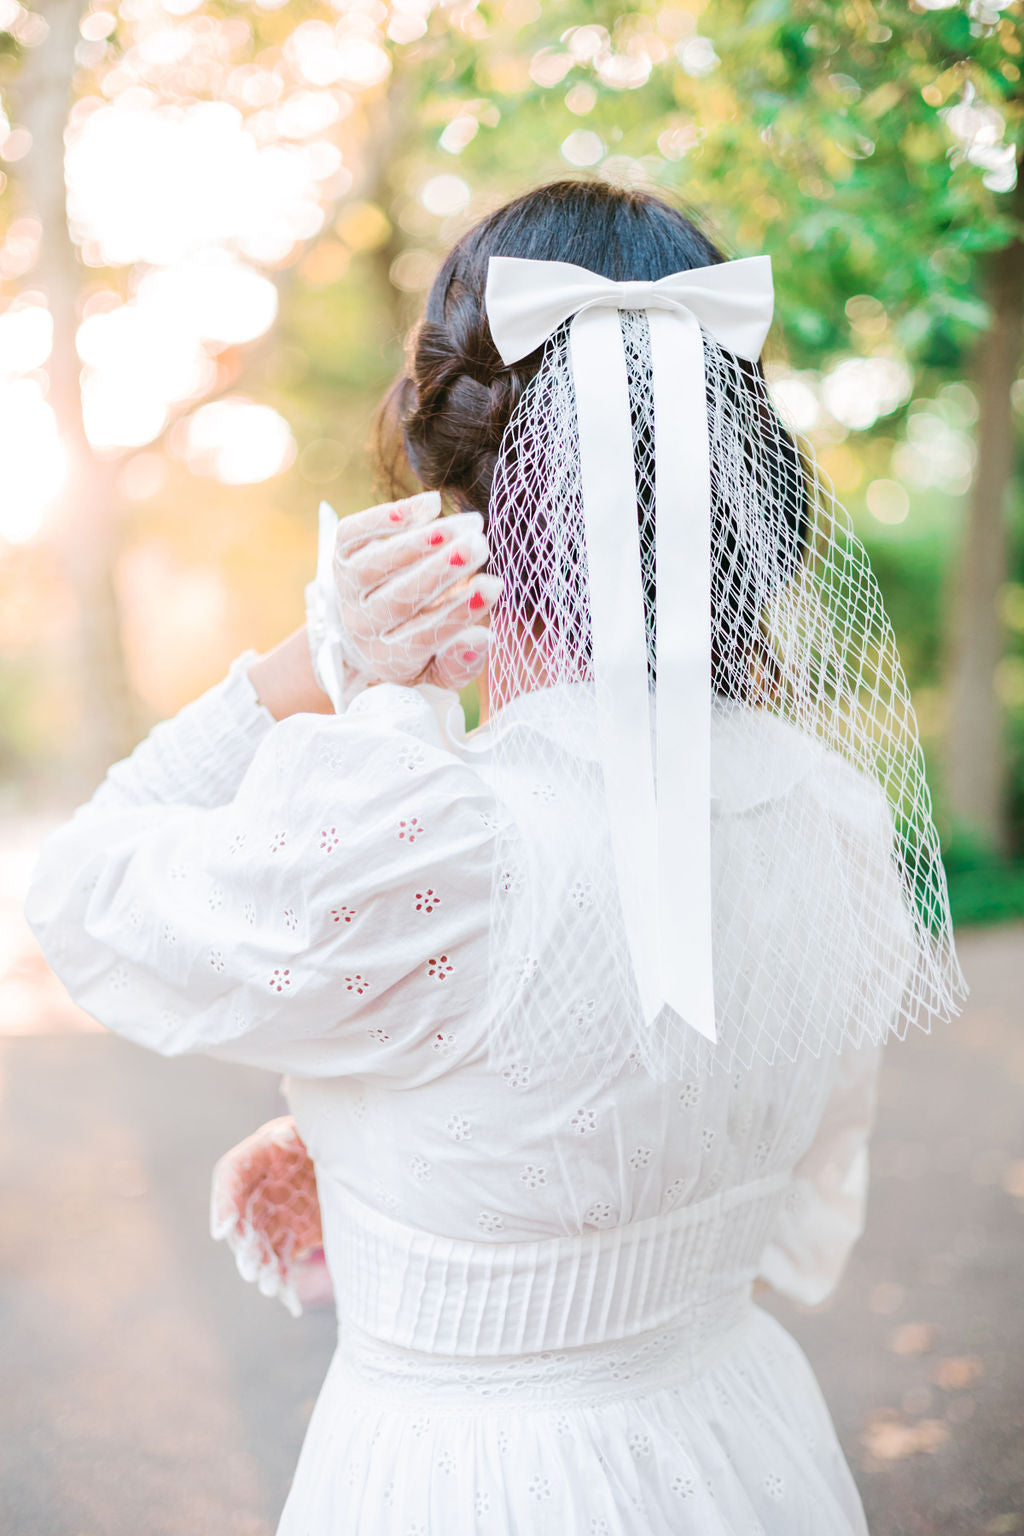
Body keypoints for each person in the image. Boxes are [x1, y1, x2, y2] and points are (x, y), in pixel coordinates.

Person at [25, 179, 966, 1535]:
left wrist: (311, 666)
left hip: (464, 1486)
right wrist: (384, 1146)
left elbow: (84, 892)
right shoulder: (833, 812)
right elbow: (791, 1217)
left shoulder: (431, 843)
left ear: (456, 478)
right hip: (738, 1456)